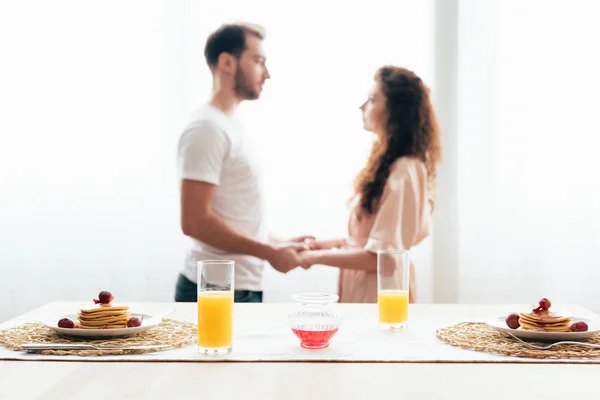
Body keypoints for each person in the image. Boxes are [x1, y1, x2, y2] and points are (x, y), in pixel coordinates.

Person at [175, 23, 310, 303]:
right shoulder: (207, 128)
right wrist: (269, 253)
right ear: (227, 62)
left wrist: (276, 242)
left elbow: (233, 215)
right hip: (214, 291)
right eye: (259, 61)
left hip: (238, 288)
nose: (267, 74)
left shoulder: (230, 125)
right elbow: (195, 222)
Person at [299, 66, 441, 303]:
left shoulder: (405, 170)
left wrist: (310, 258)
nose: (362, 106)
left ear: (396, 111)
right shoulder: (389, 165)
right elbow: (371, 242)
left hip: (381, 293)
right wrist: (330, 245)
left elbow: (381, 256)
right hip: (364, 288)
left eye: (373, 99)